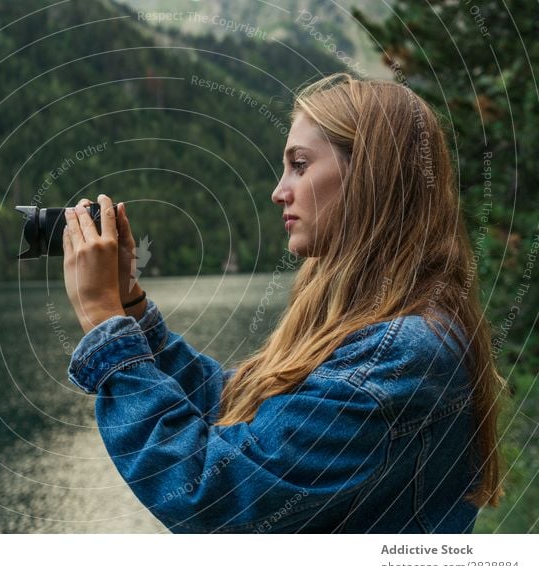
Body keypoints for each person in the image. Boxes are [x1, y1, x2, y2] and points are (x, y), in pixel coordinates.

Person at [60, 72, 507, 533]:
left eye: (300, 164)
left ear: (371, 175)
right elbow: (237, 407)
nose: (279, 192)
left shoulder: (397, 354)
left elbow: (215, 497)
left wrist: (103, 321)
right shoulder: (385, 328)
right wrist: (130, 308)